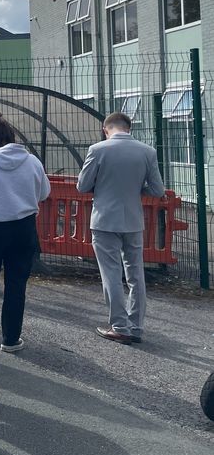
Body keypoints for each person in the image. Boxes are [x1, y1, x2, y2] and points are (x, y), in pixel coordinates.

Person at [77, 111, 165, 345]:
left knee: (112, 275)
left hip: (105, 220)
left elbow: (83, 185)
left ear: (106, 129)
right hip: (134, 220)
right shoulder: (147, 152)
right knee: (136, 274)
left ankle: (119, 325)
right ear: (129, 128)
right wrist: (136, 191)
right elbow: (157, 190)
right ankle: (136, 326)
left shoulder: (97, 150)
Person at [0, 114, 50, 352]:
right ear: (13, 137)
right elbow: (44, 192)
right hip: (23, 226)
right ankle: (11, 338)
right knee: (16, 283)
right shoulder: (32, 161)